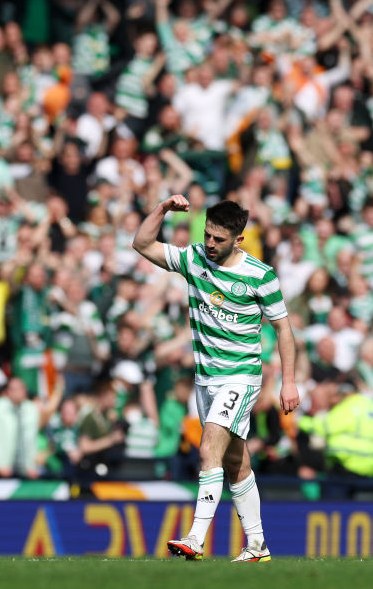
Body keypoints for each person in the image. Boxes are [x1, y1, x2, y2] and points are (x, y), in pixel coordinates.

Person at [132, 196, 299, 563]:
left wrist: (288, 381)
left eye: (218, 239)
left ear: (238, 239)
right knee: (236, 462)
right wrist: (161, 209)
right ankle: (257, 546)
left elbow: (284, 330)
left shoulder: (260, 276)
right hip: (206, 379)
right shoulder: (194, 259)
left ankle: (195, 539)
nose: (210, 244)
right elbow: (142, 244)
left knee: (210, 448)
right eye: (207, 235)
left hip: (240, 376)